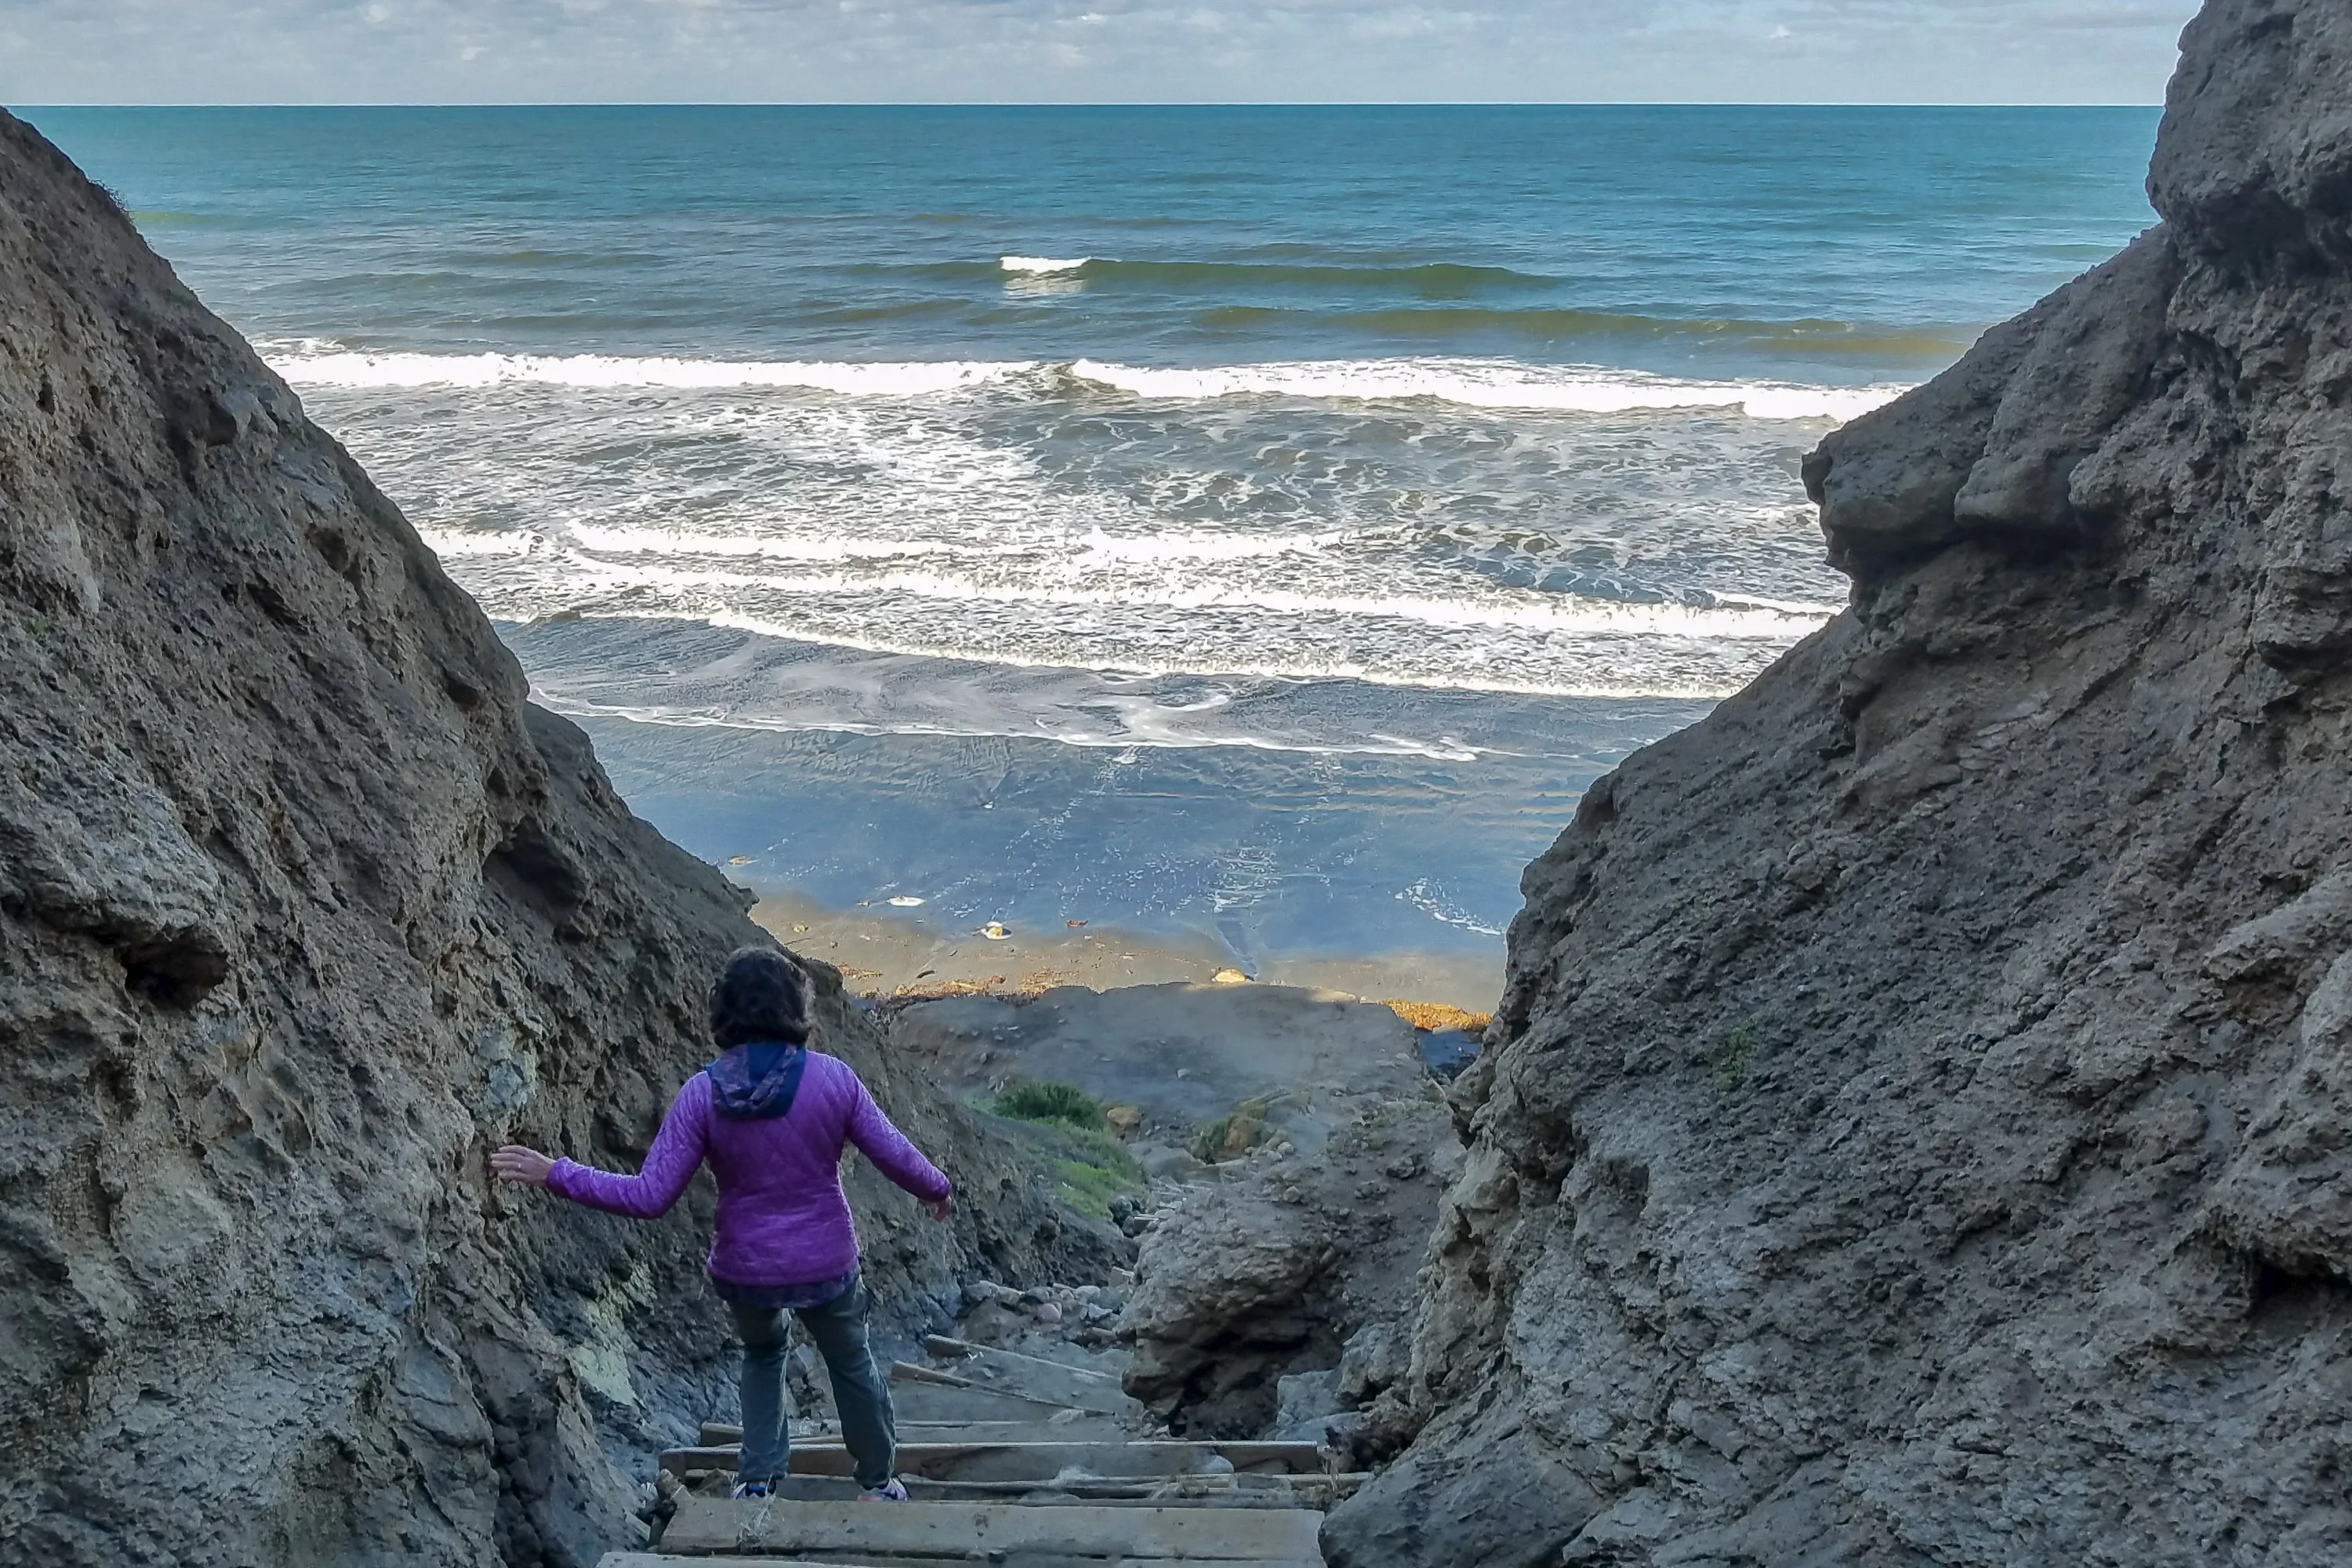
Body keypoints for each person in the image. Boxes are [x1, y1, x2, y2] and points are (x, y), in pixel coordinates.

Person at [491, 945, 953, 1502]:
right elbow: (893, 1152)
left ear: (723, 1011)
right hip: (826, 1261)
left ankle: (757, 1482)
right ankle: (878, 1482)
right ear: (795, 1006)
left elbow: (648, 1196)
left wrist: (555, 1172)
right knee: (851, 1361)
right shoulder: (834, 1080)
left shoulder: (701, 1094)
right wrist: (936, 1188)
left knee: (763, 1356)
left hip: (745, 1268)